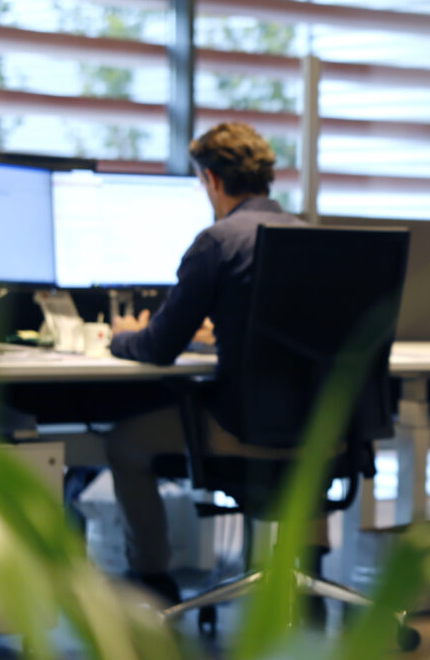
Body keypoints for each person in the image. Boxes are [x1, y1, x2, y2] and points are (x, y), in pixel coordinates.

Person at [105, 122, 305, 603]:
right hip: (320, 429)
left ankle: (152, 578)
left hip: (240, 429)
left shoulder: (217, 241)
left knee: (122, 442)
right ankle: (308, 587)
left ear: (211, 179)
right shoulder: (315, 238)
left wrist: (121, 336)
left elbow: (157, 349)